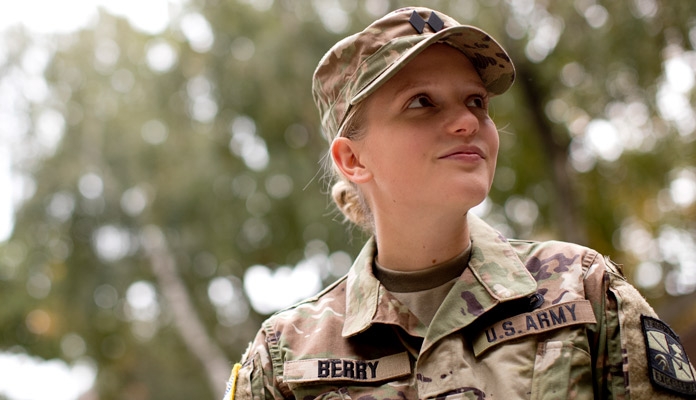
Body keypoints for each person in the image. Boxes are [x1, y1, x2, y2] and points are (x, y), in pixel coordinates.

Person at [223, 6, 696, 400]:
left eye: (476, 102)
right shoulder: (285, 357)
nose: (467, 122)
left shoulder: (584, 291)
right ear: (352, 158)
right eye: (422, 102)